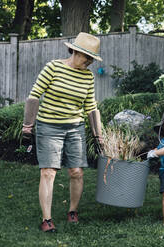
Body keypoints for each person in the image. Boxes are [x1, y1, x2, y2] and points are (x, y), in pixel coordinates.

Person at [22, 32, 104, 233]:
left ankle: (72, 211)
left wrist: (98, 134)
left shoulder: (88, 77)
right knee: (48, 172)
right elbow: (34, 96)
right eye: (88, 57)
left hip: (75, 127)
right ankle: (47, 219)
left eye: (92, 58)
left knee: (76, 172)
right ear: (76, 52)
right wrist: (27, 126)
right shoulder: (53, 67)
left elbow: (91, 107)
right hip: (49, 126)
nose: (90, 62)